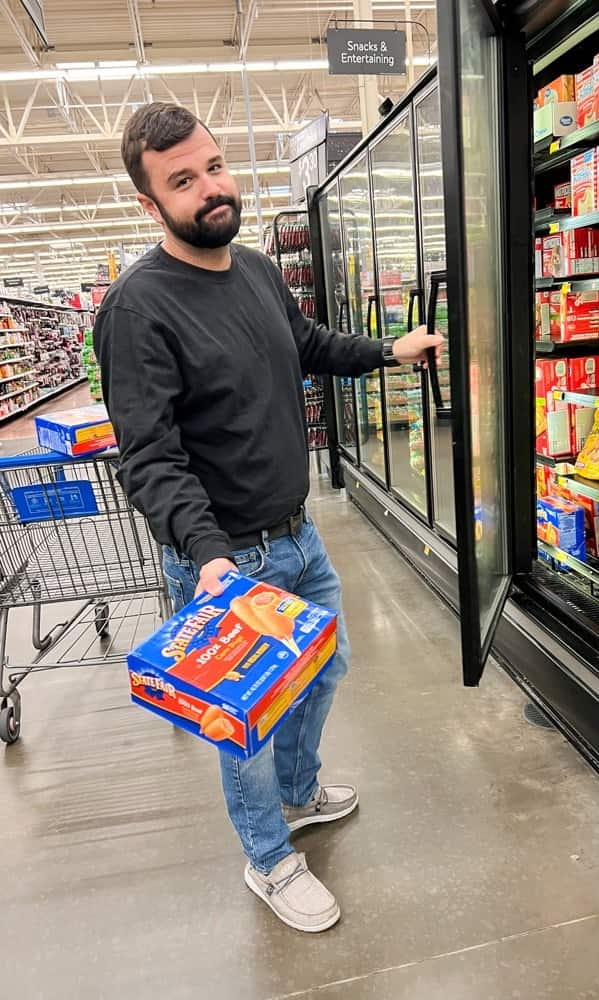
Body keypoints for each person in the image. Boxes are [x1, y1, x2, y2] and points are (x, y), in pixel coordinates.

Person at [94, 102, 443, 934]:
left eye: (214, 166)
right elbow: (150, 455)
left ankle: (299, 793)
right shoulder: (136, 311)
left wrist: (390, 351)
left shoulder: (252, 268)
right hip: (224, 563)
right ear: (150, 203)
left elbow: (310, 345)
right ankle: (268, 857)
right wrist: (208, 557)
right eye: (183, 180)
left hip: (297, 531)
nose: (211, 188)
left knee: (325, 670)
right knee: (242, 722)